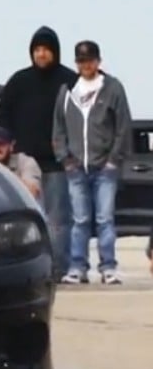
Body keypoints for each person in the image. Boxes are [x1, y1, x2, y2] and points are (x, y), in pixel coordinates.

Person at [0, 26, 78, 278]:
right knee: (27, 220)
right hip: (26, 161)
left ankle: (58, 268)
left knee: (58, 221)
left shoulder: (70, 81)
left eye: (46, 50)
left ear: (55, 52)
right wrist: (5, 151)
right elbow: (3, 120)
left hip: (58, 163)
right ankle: (29, 269)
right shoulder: (19, 82)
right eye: (37, 50)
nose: (41, 55)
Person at [52, 40, 132, 285]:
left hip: (104, 168)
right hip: (76, 168)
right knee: (80, 220)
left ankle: (108, 267)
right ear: (77, 64)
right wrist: (65, 159)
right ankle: (78, 267)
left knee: (105, 219)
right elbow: (58, 128)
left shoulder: (112, 88)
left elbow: (123, 126)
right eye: (81, 61)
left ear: (98, 61)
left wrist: (113, 161)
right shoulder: (68, 91)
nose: (86, 65)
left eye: (90, 60)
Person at [0, 125, 42, 200]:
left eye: (1, 144)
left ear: (11, 146)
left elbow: (32, 192)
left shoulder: (26, 162)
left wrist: (3, 171)